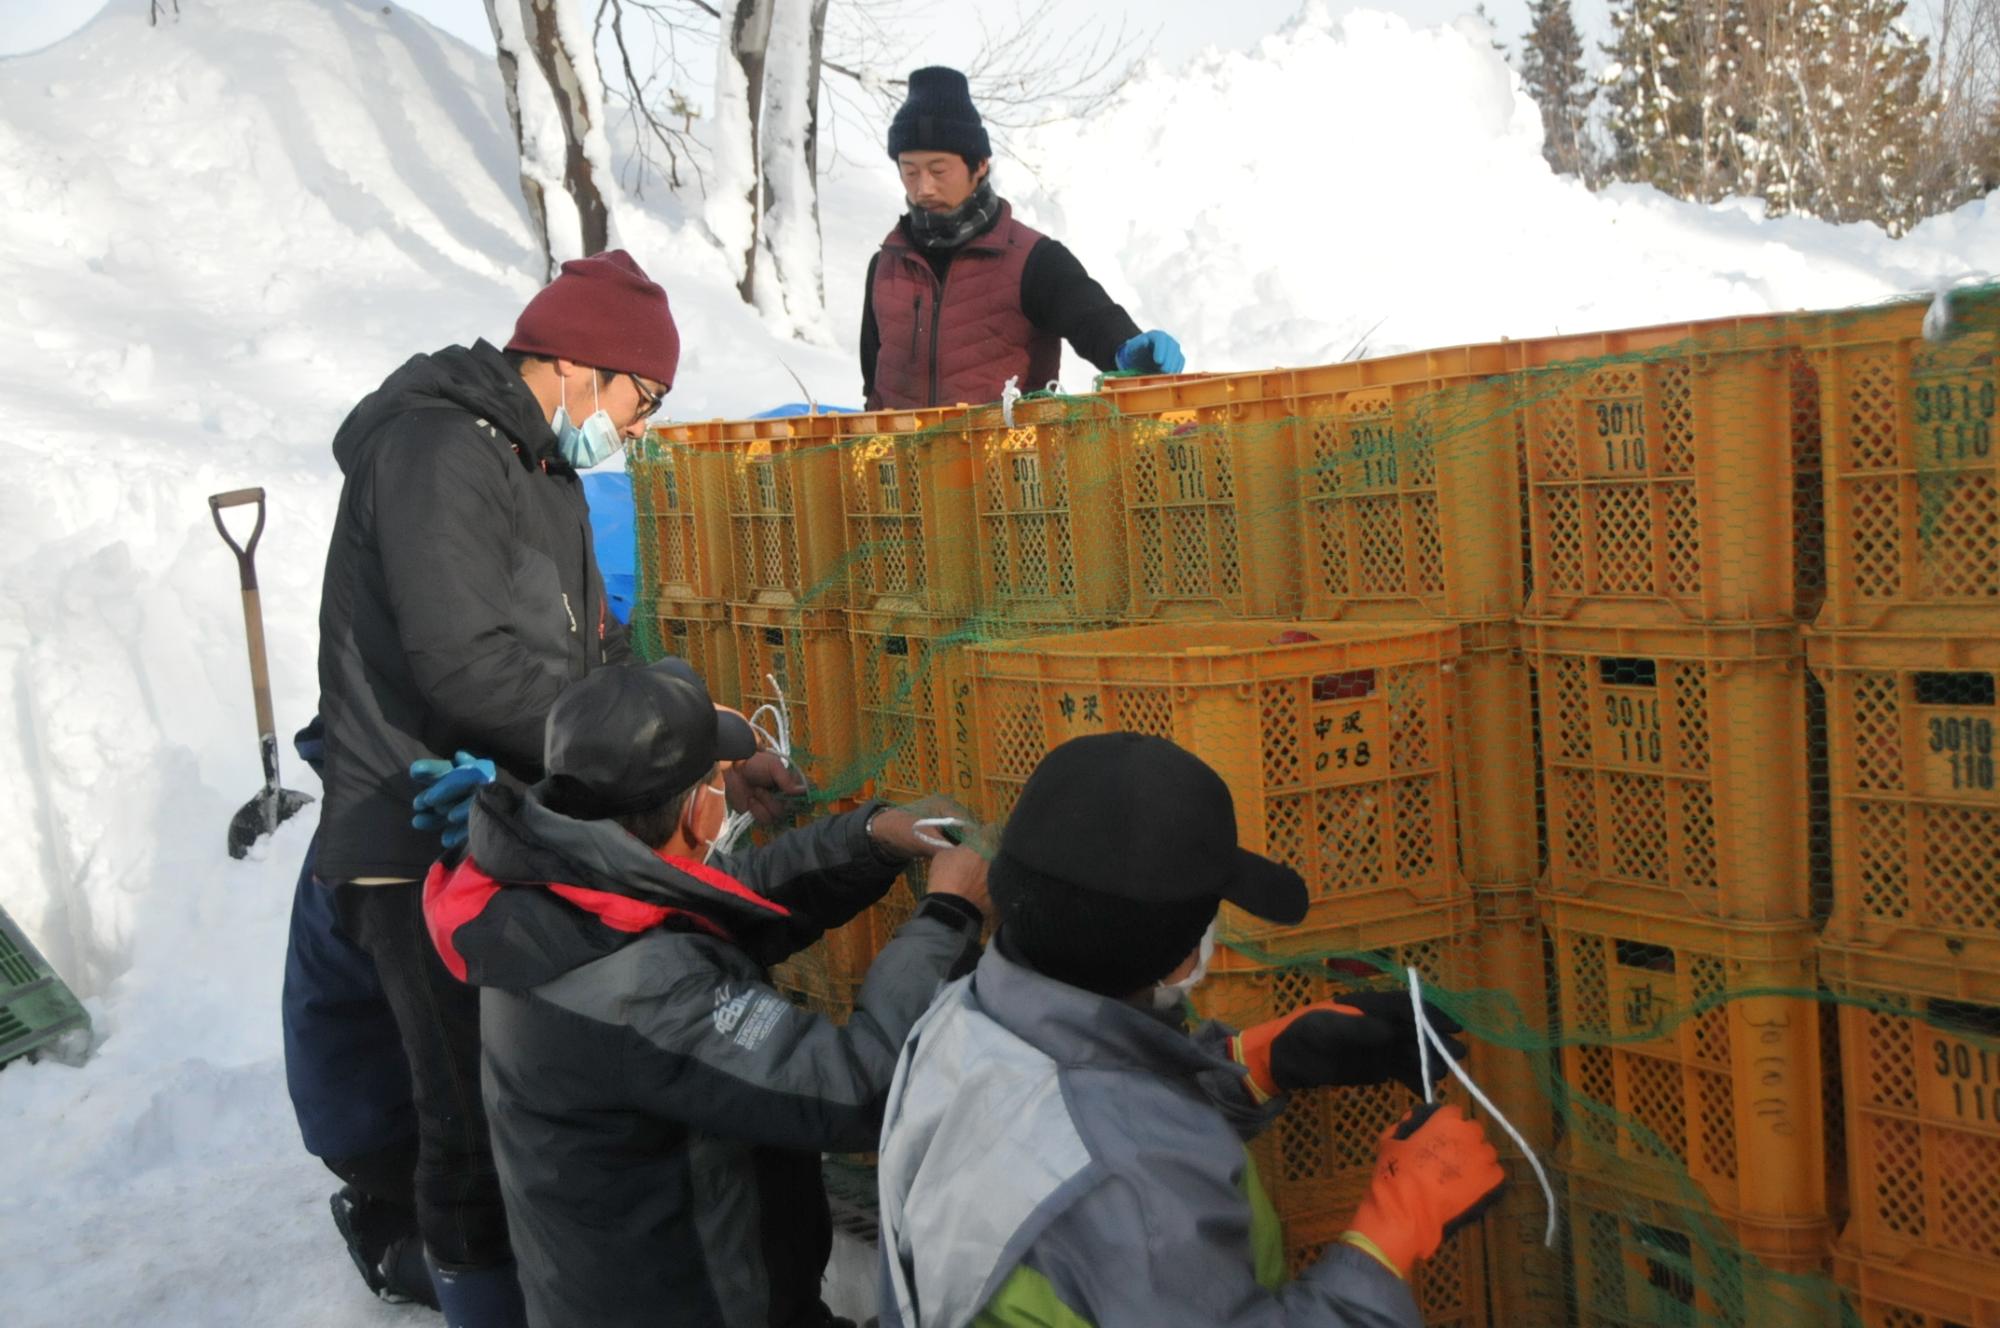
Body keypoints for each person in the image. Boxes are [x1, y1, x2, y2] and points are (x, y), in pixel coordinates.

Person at [310, 248, 805, 1322]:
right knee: (468, 1109)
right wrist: (645, 741)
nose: (637, 425)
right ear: (580, 366)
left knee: (527, 1101)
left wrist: (710, 737)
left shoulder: (546, 469)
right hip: (413, 826)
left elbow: (603, 650)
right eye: (644, 399)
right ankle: (474, 1292)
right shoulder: (436, 447)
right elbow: (466, 666)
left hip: (501, 817)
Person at [422, 659, 989, 1328]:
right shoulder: (637, 986)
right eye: (717, 779)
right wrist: (950, 914)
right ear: (698, 809)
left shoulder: (553, 888)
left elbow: (729, 898)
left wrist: (874, 839)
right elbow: (859, 1083)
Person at [876, 732, 1508, 1327]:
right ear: (1182, 955)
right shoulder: (1132, 1188)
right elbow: (1115, 1158)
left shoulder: (960, 1017)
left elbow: (1087, 1105)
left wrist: (1251, 1065)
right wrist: (1390, 1234)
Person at [860, 66, 1186, 409]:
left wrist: (1127, 347)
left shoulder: (1033, 259)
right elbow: (874, 387)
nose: (923, 187)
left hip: (1011, 459)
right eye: (909, 171)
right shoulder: (886, 267)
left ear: (980, 164)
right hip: (902, 461)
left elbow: (1091, 318)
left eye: (938, 170)